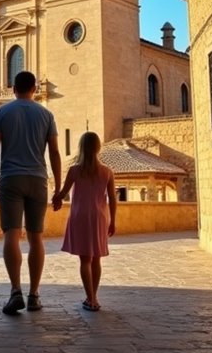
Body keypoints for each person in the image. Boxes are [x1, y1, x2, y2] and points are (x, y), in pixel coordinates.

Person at [0, 70, 62, 315]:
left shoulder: (1, 113)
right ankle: (34, 295)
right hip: (38, 179)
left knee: (11, 234)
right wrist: (59, 187)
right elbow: (54, 153)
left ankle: (15, 290)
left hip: (10, 178)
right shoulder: (46, 115)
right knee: (35, 237)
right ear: (35, 87)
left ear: (13, 87)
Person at [52, 131, 117, 312]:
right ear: (98, 147)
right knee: (96, 259)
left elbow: (63, 193)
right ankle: (93, 297)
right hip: (99, 217)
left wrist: (55, 198)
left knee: (85, 260)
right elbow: (112, 198)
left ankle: (90, 298)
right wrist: (113, 221)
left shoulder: (74, 170)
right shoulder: (107, 172)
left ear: (81, 146)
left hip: (79, 216)